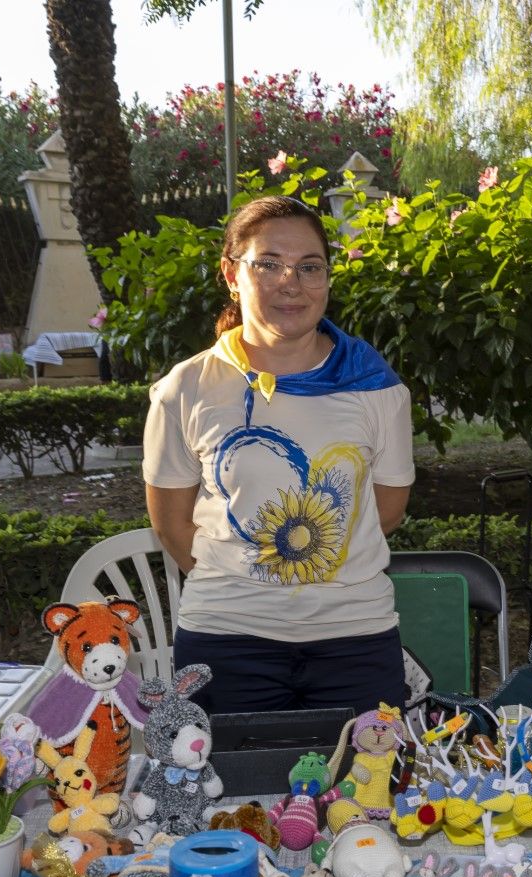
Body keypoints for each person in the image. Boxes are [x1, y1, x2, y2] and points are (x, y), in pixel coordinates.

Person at [143, 195, 414, 717]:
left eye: (309, 267)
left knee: (369, 792)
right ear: (231, 273)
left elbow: (388, 511)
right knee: (220, 790)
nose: (292, 282)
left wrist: (320, 569)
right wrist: (247, 580)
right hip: (225, 636)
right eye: (268, 264)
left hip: (355, 634)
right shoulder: (187, 386)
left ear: (328, 279)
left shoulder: (376, 387)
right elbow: (172, 524)